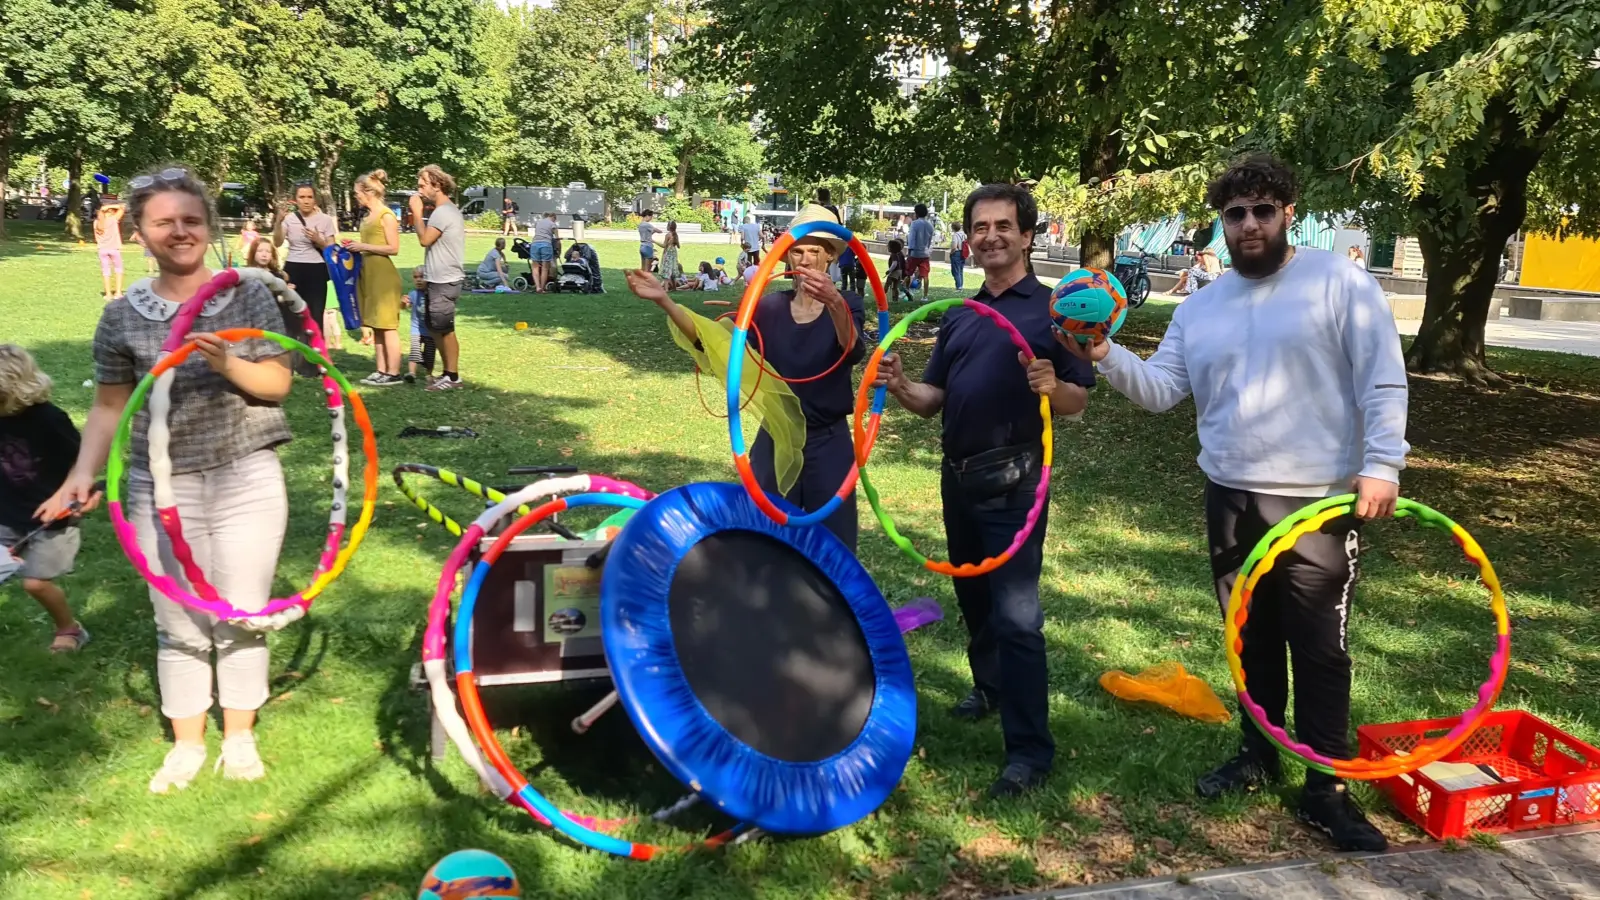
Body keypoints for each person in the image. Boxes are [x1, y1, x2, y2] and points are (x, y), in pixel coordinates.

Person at [1061, 154, 1405, 852]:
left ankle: (1325, 789)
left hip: (1318, 505)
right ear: (1223, 223)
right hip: (1230, 496)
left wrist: (1382, 464)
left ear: (1288, 212)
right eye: (1236, 214)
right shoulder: (1201, 306)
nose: (1249, 224)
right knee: (1250, 640)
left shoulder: (1340, 283)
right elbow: (1161, 391)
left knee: (1319, 649)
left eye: (1263, 210)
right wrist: (1102, 353)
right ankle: (1258, 752)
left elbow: (1383, 380)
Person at [40, 164, 296, 793]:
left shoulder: (248, 294)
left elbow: (279, 384)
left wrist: (230, 361)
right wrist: (81, 474)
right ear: (139, 232)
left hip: (246, 475)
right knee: (178, 620)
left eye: (191, 220)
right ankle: (186, 746)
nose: (179, 231)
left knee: (240, 613)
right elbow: (108, 406)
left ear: (208, 227)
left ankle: (238, 736)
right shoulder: (122, 316)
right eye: (164, 222)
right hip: (159, 486)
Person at [872, 183, 1094, 798]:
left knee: (1017, 615)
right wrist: (901, 381)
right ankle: (991, 688)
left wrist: (1054, 383)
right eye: (980, 225)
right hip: (959, 476)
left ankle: (1029, 752)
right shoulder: (962, 314)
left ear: (1027, 235)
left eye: (1004, 225)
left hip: (1017, 479)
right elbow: (930, 403)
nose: (991, 235)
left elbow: (1076, 403)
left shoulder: (1056, 310)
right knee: (973, 598)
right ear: (969, 236)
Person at [628, 203, 865, 548]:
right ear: (787, 258)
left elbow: (852, 350)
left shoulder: (848, 303)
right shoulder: (768, 308)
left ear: (829, 257)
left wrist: (833, 303)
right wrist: (665, 301)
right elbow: (717, 342)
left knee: (835, 544)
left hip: (829, 441)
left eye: (816, 251)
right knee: (765, 539)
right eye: (797, 251)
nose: (806, 259)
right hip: (776, 436)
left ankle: (830, 603)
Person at [1, 345, 91, 653]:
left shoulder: (49, 419)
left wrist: (66, 497)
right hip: (7, 512)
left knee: (35, 583)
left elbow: (82, 463)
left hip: (52, 519)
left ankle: (70, 629)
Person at [409, 165, 465, 390]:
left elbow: (424, 239)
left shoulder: (443, 212)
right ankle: (446, 373)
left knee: (445, 329)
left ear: (437, 185)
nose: (419, 190)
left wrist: (416, 212)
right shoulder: (443, 211)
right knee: (435, 328)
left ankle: (452, 377)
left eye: (423, 185)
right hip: (437, 279)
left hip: (445, 281)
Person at [346, 170, 405, 385]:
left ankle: (394, 372)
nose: (356, 197)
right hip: (367, 273)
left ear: (368, 192)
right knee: (375, 324)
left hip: (383, 276)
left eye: (357, 193)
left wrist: (363, 246)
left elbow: (393, 247)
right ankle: (381, 369)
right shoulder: (368, 216)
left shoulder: (386, 215)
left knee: (388, 325)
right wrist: (353, 247)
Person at [271, 183, 338, 330]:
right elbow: (277, 242)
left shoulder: (325, 220)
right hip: (293, 269)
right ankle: (294, 351)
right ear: (296, 200)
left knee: (315, 314)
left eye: (310, 197)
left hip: (316, 270)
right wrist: (278, 222)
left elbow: (333, 249)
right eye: (302, 197)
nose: (306, 201)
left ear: (315, 200)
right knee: (292, 312)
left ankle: (315, 350)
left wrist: (319, 240)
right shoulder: (289, 219)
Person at [405, 267, 436, 384]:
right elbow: (405, 306)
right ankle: (412, 373)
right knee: (415, 350)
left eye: (422, 277)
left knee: (429, 354)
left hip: (431, 330)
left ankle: (429, 374)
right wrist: (403, 302)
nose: (418, 280)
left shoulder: (434, 294)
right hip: (416, 328)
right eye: (415, 277)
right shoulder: (413, 294)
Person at [94, 204, 127, 301]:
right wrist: (110, 205)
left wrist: (102, 209)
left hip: (102, 249)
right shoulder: (113, 220)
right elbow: (122, 207)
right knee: (118, 270)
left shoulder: (96, 223)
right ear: (111, 212)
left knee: (106, 272)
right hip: (114, 249)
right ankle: (118, 292)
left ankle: (108, 294)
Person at [907, 202, 935, 300]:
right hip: (925, 253)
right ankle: (925, 296)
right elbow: (931, 240)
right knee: (925, 275)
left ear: (916, 213)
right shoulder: (930, 225)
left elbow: (911, 238)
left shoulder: (914, 224)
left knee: (909, 273)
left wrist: (910, 250)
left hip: (915, 252)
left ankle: (908, 292)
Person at [529, 211, 558, 292]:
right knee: (545, 268)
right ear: (553, 217)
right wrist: (558, 249)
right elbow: (557, 239)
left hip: (535, 244)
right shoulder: (553, 224)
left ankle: (537, 287)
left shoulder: (538, 222)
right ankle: (542, 288)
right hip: (546, 244)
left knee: (535, 267)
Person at [885, 239, 913, 304]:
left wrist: (889, 270)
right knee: (897, 287)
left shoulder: (895, 254)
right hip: (899, 272)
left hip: (896, 272)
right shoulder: (900, 254)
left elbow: (896, 263)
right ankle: (896, 299)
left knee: (890, 285)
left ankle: (882, 297)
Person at [660, 221, 683, 288]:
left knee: (666, 269)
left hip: (668, 253)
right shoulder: (675, 235)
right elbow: (678, 246)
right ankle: (674, 288)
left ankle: (666, 289)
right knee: (673, 268)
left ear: (669, 227)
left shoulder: (668, 235)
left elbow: (664, 245)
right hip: (674, 252)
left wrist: (654, 241)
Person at [950, 223, 969, 291]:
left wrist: (951, 253)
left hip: (956, 253)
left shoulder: (955, 235)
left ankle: (958, 287)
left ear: (953, 228)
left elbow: (954, 246)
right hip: (962, 253)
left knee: (955, 271)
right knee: (960, 270)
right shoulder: (964, 234)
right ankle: (960, 286)